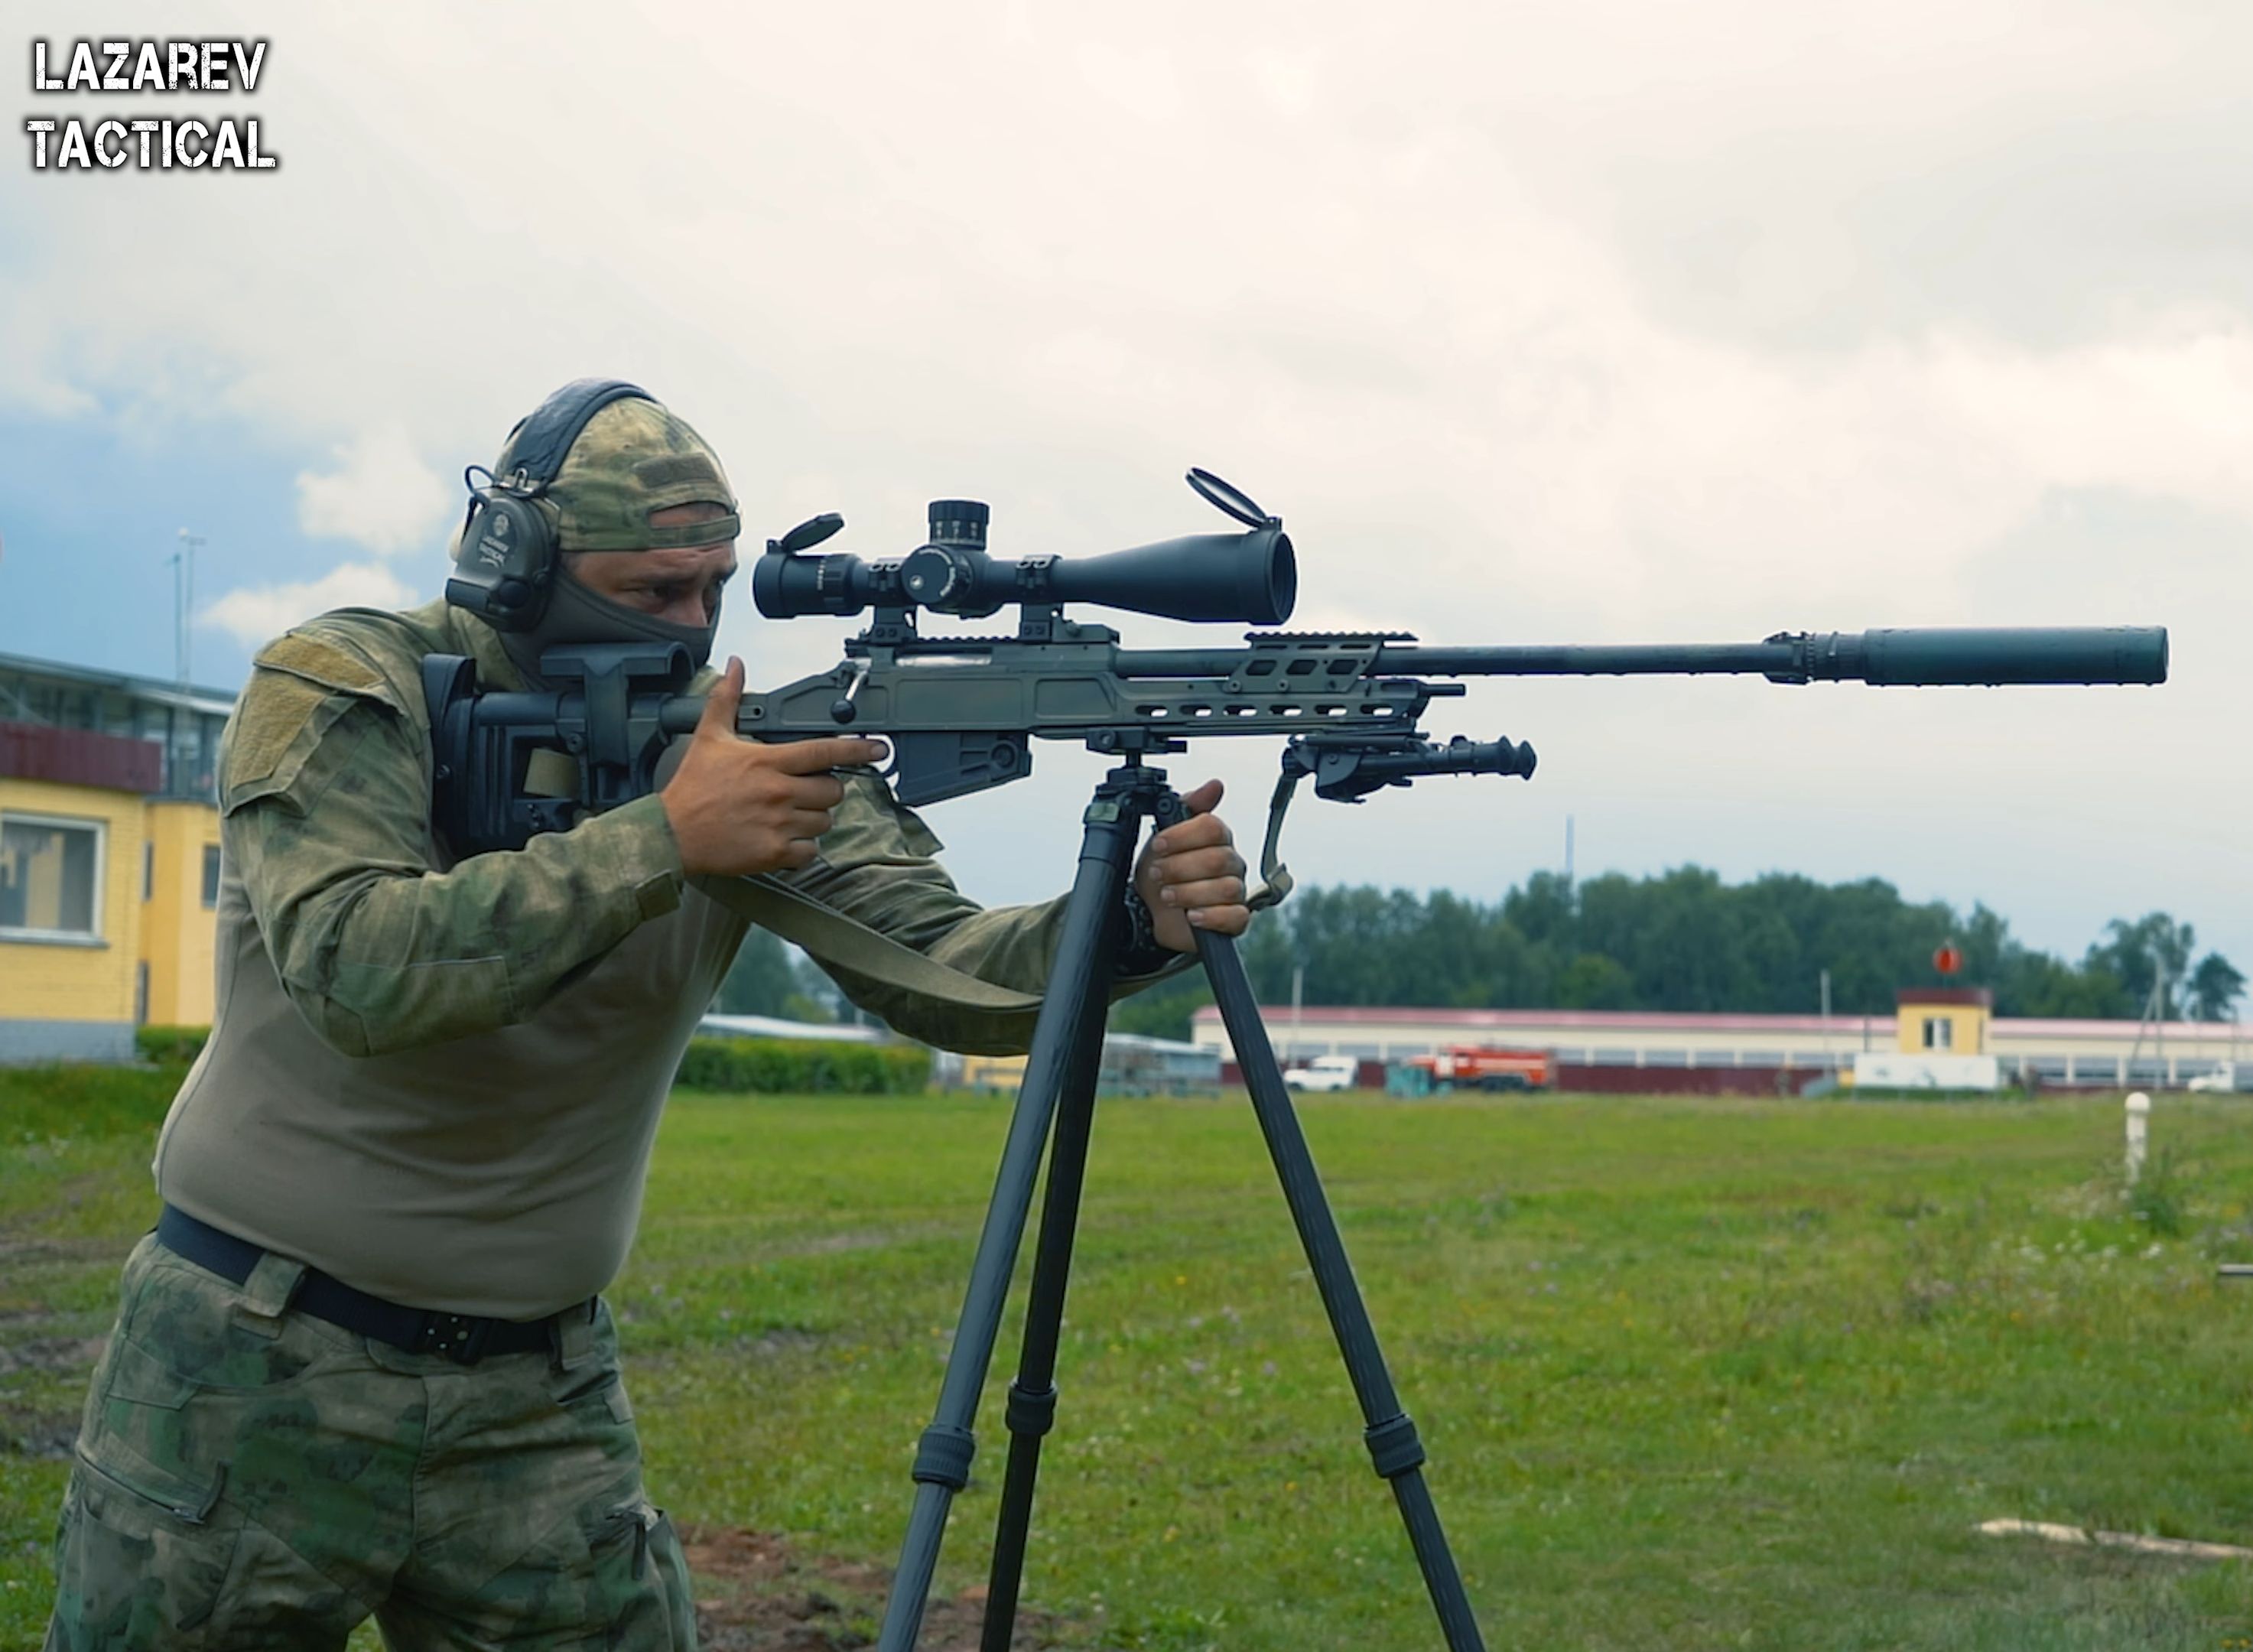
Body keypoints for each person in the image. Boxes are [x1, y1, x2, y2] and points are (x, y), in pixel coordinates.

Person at [47, 382, 1251, 1650]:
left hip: (538, 1396)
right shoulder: (351, 686)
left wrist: (1123, 925)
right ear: (519, 575)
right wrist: (665, 841)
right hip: (249, 1365)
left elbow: (948, 966)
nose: (688, 628)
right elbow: (357, 969)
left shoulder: (742, 757)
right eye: (648, 591)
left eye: (712, 588)